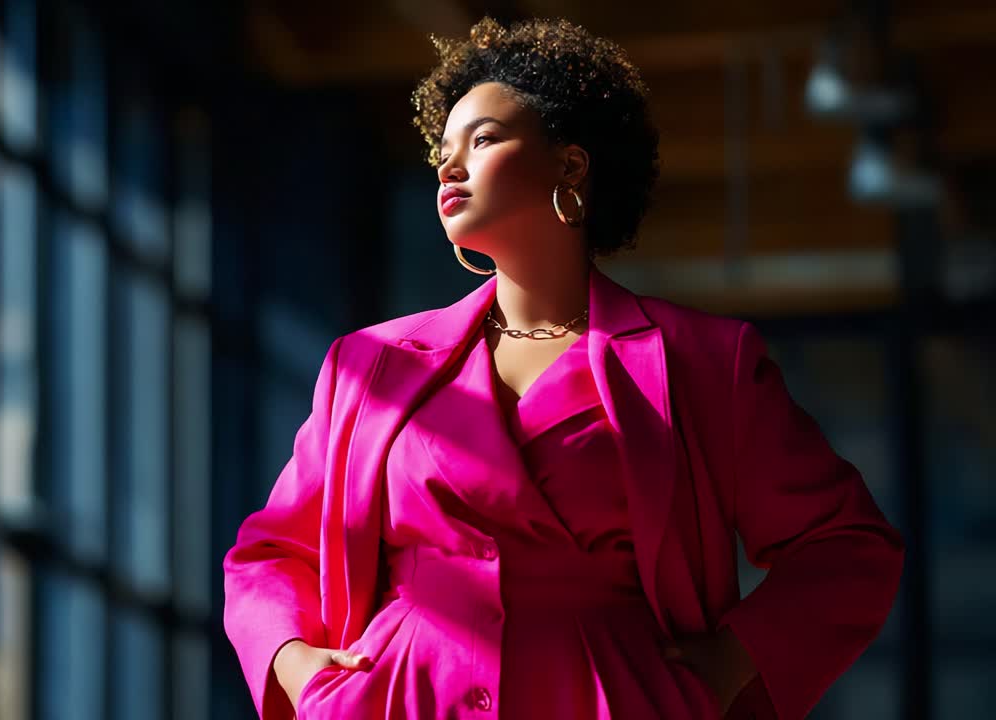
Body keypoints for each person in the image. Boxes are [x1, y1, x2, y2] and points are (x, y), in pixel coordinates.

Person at [223, 16, 903, 720]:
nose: (450, 166)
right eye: (442, 152)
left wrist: (732, 663)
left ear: (571, 166)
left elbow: (848, 547)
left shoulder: (702, 361)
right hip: (401, 700)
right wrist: (298, 668)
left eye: (481, 140)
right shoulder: (369, 366)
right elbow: (270, 553)